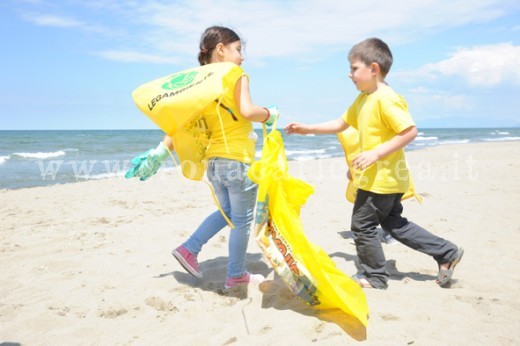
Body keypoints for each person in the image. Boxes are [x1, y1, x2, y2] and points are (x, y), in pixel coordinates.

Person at [284, 38, 463, 289]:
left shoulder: (386, 99)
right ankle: (446, 252)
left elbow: (409, 131)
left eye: (354, 68)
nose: (350, 74)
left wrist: (375, 154)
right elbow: (340, 124)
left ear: (374, 69)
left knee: (362, 225)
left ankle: (375, 276)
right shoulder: (364, 98)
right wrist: (307, 128)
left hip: (382, 179)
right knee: (394, 225)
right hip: (383, 178)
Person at [127, 26, 278, 289]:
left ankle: (189, 249)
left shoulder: (199, 83)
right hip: (237, 159)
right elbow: (246, 110)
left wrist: (159, 152)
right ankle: (236, 274)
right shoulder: (234, 73)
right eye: (238, 50)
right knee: (241, 221)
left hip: (214, 165)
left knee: (228, 213)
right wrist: (268, 113)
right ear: (221, 49)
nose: (242, 57)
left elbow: (181, 126)